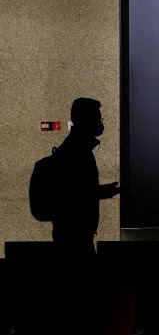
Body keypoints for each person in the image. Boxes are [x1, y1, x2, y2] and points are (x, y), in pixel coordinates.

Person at [51, 98, 120, 258]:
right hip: (75, 237)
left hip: (73, 235)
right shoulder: (77, 152)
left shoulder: (72, 149)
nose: (100, 123)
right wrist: (103, 192)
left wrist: (103, 191)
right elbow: (76, 194)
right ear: (84, 120)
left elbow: (79, 190)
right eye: (97, 118)